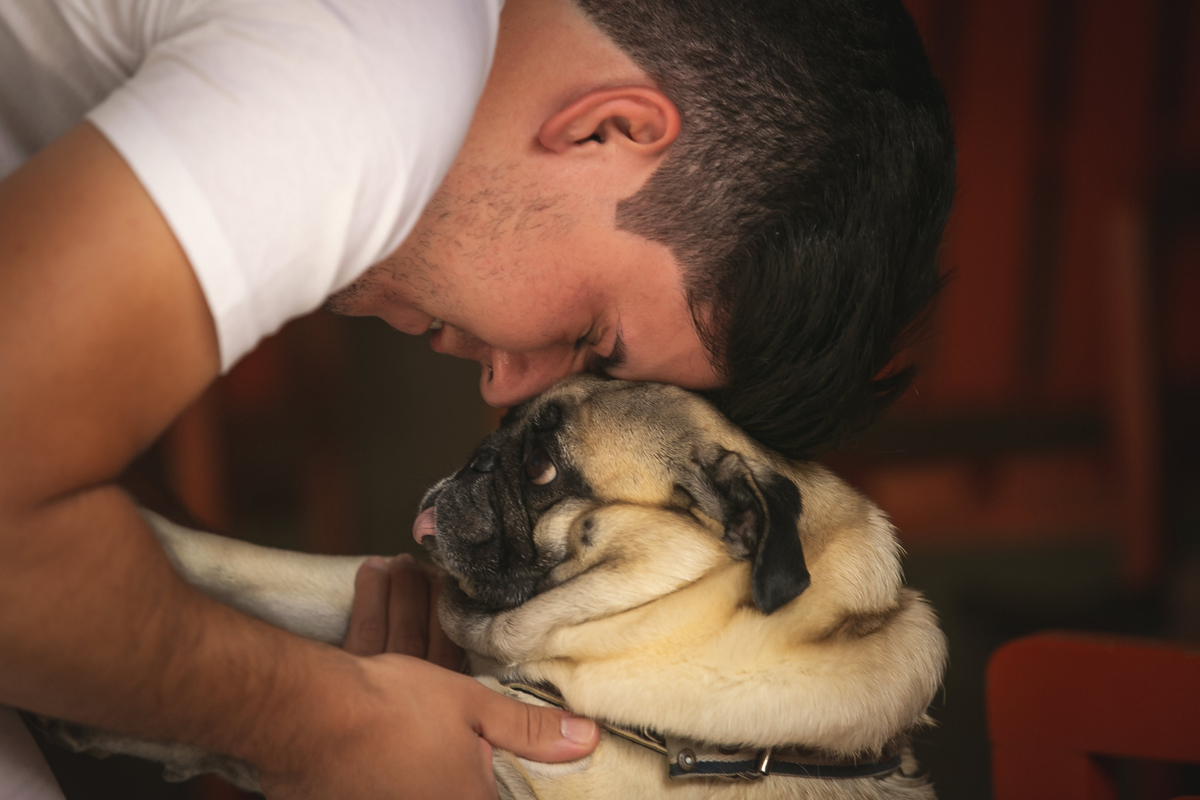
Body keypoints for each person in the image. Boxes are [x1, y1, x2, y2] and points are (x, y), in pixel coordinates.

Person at [0, 0, 955, 797]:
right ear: (610, 129)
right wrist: (326, 723)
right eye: (591, 336)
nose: (508, 383)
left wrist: (249, 635)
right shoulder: (363, 72)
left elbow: (53, 460)